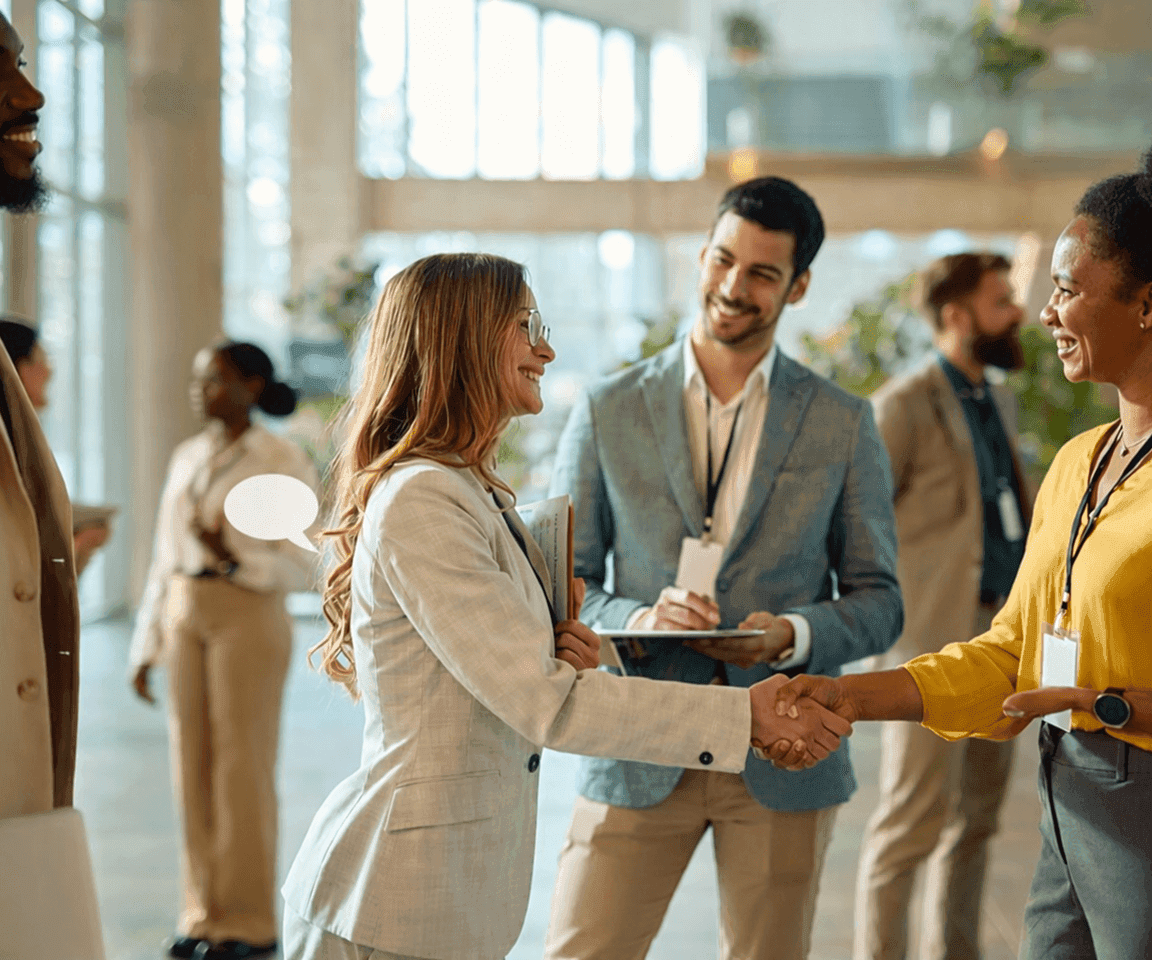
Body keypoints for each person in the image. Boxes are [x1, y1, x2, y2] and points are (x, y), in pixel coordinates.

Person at [279, 252, 852, 960]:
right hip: (391, 903)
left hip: (442, 899)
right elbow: (544, 704)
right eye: (526, 326)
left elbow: (508, 675)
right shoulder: (425, 498)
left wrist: (561, 652)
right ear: (464, 337)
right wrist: (745, 716)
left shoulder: (471, 490)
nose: (545, 350)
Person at [775, 150, 1152, 960]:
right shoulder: (1078, 462)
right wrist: (847, 693)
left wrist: (1114, 705)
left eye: (1065, 289)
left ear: (1146, 304)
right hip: (1065, 791)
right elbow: (1010, 653)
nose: (1042, 313)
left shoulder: (1003, 406)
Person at [542, 177, 904, 960]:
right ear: (701, 256)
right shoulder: (607, 407)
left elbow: (880, 601)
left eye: (762, 273)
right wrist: (637, 618)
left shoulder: (842, 422)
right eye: (721, 260)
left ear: (797, 287)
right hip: (639, 741)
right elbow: (564, 584)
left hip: (782, 753)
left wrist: (791, 634)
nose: (733, 287)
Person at [856, 253, 1034, 960]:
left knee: (977, 822)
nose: (1016, 313)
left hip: (1001, 639)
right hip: (930, 644)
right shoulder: (903, 404)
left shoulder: (996, 399)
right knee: (909, 825)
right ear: (956, 315)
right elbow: (861, 527)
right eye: (1000, 301)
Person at [129, 341, 322, 960]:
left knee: (242, 768)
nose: (200, 390)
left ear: (250, 385)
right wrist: (146, 643)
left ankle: (249, 923)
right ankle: (201, 915)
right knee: (190, 765)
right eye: (197, 378)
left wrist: (233, 558)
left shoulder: (279, 458)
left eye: (212, 379)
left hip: (247, 613)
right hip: (185, 611)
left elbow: (305, 560)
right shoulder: (187, 455)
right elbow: (163, 556)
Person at [0, 316, 112, 575]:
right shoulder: (11, 448)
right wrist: (73, 549)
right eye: (40, 359)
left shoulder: (24, 442)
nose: (49, 371)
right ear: (16, 368)